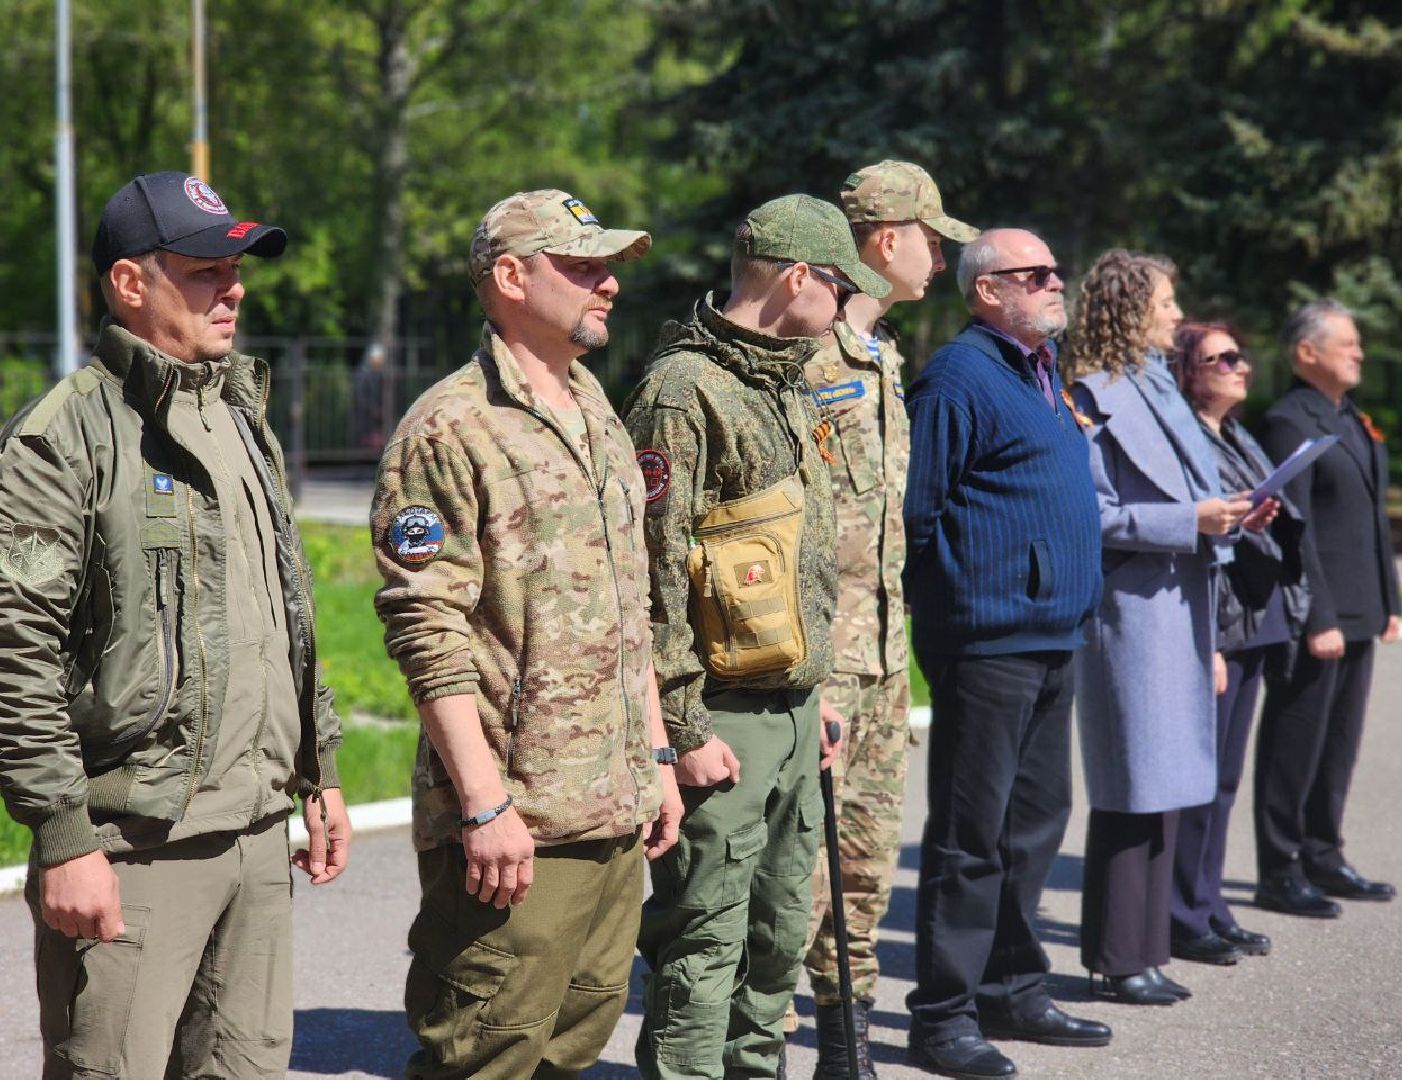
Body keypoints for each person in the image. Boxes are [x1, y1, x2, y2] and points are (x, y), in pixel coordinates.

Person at [0, 170, 351, 1078]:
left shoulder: (241, 415)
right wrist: (64, 835)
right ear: (130, 283)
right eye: (203, 268)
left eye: (237, 265)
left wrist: (321, 767)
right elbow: (14, 650)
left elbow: (286, 608)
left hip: (256, 832)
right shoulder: (64, 436)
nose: (233, 287)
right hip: (134, 848)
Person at [370, 189, 682, 1078]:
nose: (609, 284)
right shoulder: (449, 427)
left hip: (613, 806)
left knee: (573, 1040)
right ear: (511, 277)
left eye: (610, 266)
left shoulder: (595, 408)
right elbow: (425, 626)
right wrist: (484, 803)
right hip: (520, 821)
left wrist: (656, 755)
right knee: (486, 1051)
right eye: (583, 265)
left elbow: (632, 607)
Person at [624, 194, 888, 1079]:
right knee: (705, 946)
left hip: (794, 710)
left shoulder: (783, 380)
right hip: (722, 715)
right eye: (844, 287)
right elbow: (655, 577)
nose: (850, 308)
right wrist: (683, 731)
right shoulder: (680, 391)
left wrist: (820, 696)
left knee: (777, 935)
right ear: (801, 278)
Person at [904, 228, 1110, 1079]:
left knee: (1035, 831)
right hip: (987, 644)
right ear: (988, 291)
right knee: (968, 837)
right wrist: (951, 616)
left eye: (1056, 270)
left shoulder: (1040, 371)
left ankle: (1013, 986)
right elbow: (917, 514)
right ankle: (943, 1016)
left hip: (1055, 636)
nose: (1057, 282)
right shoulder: (958, 377)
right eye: (1038, 274)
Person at [792, 160, 977, 1078]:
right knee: (805, 871)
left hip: (881, 655)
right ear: (884, 239)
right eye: (930, 236)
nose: (941, 255)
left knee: (864, 867)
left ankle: (845, 1044)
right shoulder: (809, 349)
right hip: (820, 660)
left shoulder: (881, 351)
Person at [1067, 251, 1272, 1007]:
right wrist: (1188, 519)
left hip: (1179, 602)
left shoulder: (1159, 388)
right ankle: (1120, 957)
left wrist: (1233, 511)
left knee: (1169, 782)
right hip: (1132, 609)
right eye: (1164, 302)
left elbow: (1192, 491)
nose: (1175, 314)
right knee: (1132, 781)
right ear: (1127, 308)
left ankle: (1147, 947)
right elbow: (1090, 514)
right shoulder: (1093, 393)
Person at [1252, 299, 1402, 916]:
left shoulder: (1351, 416)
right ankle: (1279, 866)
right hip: (1322, 612)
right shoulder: (1291, 419)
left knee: (1339, 741)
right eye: (1347, 343)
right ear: (1306, 352)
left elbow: (1372, 518)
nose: (1359, 352)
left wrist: (1389, 600)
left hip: (1361, 606)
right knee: (1297, 739)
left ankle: (1323, 852)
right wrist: (1318, 617)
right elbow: (1296, 528)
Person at [1170, 320, 1306, 963]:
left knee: (1225, 778)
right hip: (1216, 617)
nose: (1239, 366)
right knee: (1197, 778)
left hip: (1255, 615)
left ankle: (1210, 901)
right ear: (1188, 372)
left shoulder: (1237, 433)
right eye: (1222, 358)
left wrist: (1253, 514)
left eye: (1240, 354)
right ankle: (1183, 911)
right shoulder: (1186, 434)